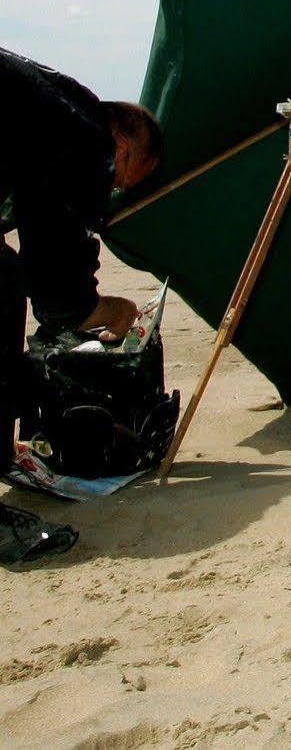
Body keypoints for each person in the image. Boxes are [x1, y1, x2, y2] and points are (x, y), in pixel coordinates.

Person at [1, 47, 162, 567]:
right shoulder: (82, 135)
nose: (115, 187)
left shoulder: (52, 107)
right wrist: (94, 309)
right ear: (121, 141)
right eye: (124, 174)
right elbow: (55, 265)